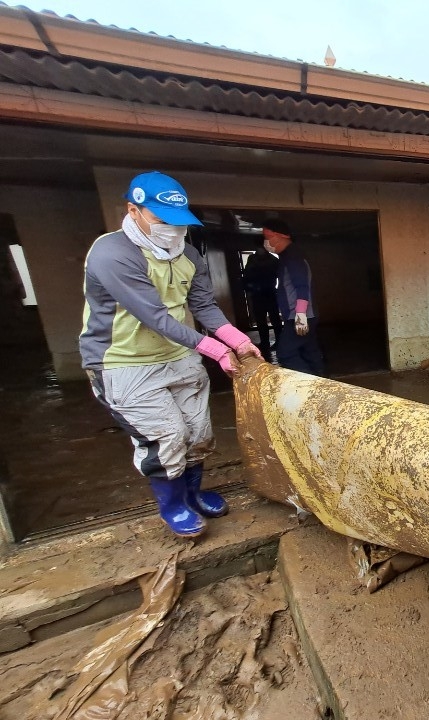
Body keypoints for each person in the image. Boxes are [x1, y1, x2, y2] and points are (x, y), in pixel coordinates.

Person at [79, 171, 262, 538]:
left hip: (179, 355)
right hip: (125, 363)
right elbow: (155, 316)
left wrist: (238, 341)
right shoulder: (112, 253)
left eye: (180, 223)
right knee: (166, 435)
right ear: (135, 211)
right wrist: (213, 348)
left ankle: (192, 494)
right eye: (164, 221)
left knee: (198, 433)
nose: (174, 230)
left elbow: (203, 306)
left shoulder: (188, 254)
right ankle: (173, 505)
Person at [262, 218, 326, 376]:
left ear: (279, 236)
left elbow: (302, 285)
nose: (265, 241)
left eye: (267, 237)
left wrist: (300, 314)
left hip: (300, 316)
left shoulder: (293, 256)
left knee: (285, 353)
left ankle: (309, 387)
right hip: (301, 315)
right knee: (310, 351)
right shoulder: (287, 256)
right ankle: (322, 384)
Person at [242, 246, 283, 356]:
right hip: (259, 294)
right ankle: (265, 343)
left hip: (268, 293)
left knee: (274, 320)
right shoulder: (255, 259)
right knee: (262, 320)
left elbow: (279, 275)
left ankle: (277, 342)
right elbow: (246, 275)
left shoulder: (272, 260)